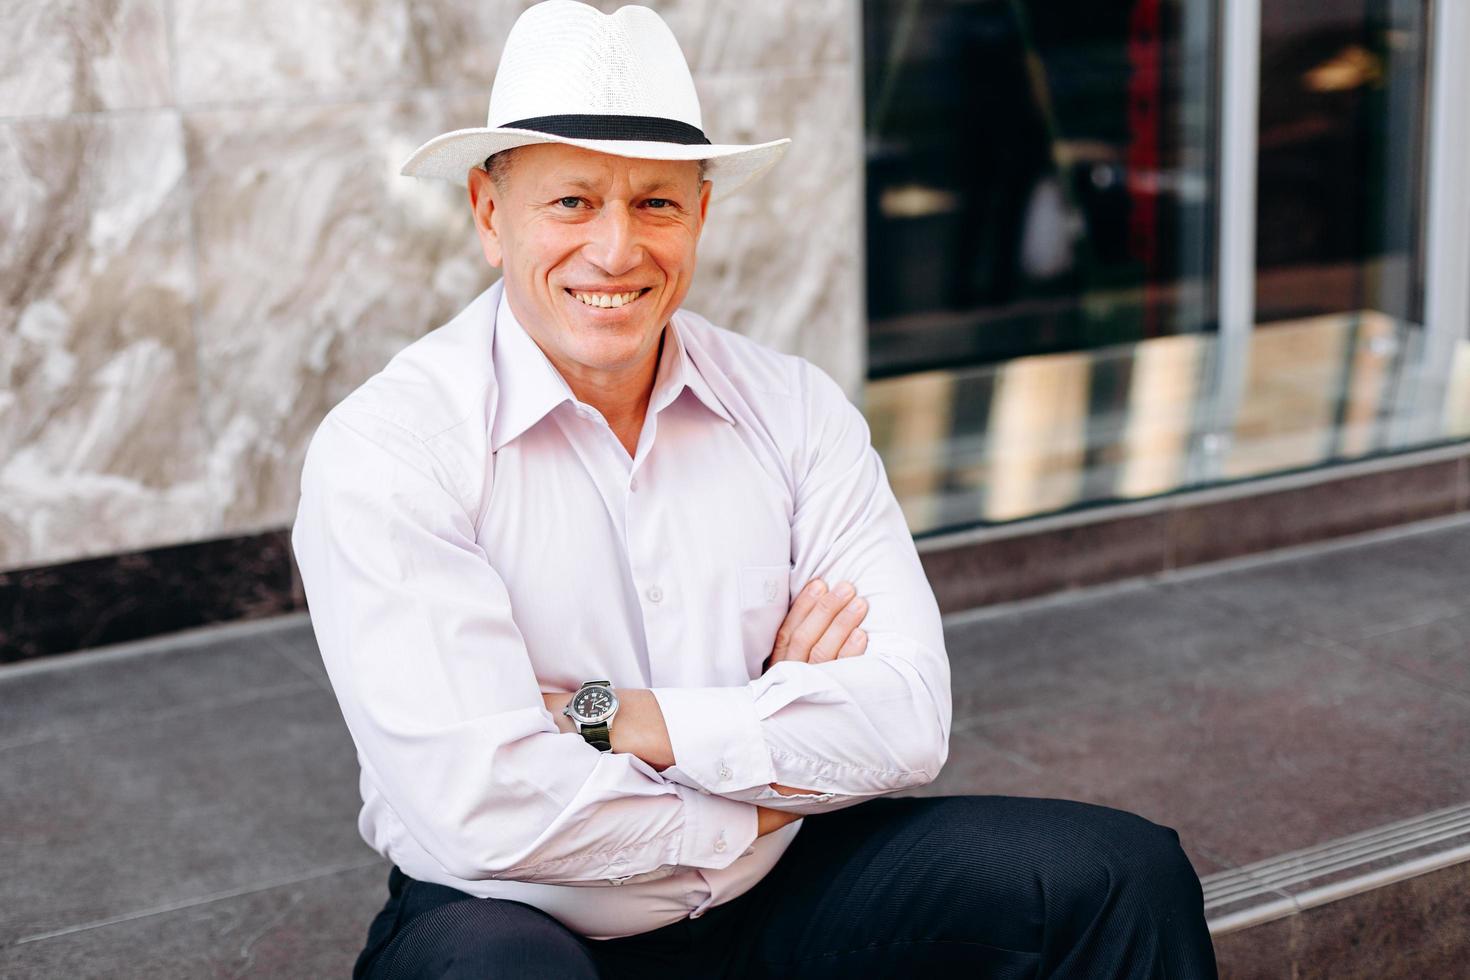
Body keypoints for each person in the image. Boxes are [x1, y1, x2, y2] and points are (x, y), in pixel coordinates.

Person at [290, 2, 1218, 977]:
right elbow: (489, 807)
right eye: (572, 202)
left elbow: (905, 717)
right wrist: (773, 751)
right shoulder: (392, 448)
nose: (615, 250)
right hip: (508, 912)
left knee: (1120, 873)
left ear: (701, 213)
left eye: (655, 202)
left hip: (781, 890)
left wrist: (614, 717)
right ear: (490, 213)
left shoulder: (792, 409)